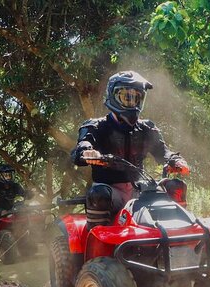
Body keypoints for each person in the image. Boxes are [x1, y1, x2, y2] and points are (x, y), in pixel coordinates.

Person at [70, 71, 189, 228]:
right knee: (99, 194)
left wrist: (175, 160)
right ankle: (97, 248)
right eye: (127, 97)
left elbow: (163, 152)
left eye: (137, 97)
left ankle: (182, 238)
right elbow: (82, 146)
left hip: (139, 189)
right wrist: (87, 152)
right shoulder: (95, 126)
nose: (132, 102)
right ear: (113, 96)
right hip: (111, 191)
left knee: (175, 186)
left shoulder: (147, 128)